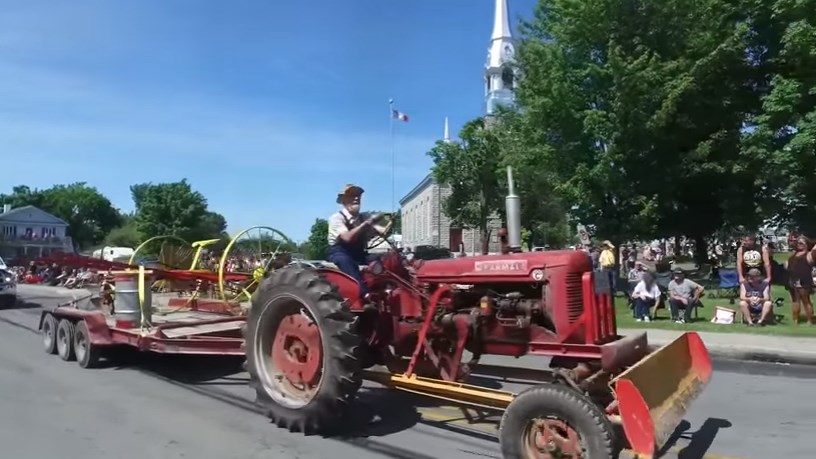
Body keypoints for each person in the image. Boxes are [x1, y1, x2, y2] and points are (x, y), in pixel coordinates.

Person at [326, 184, 393, 298]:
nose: (356, 198)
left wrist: (390, 222)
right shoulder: (337, 218)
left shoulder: (364, 216)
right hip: (340, 252)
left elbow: (382, 231)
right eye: (352, 195)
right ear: (343, 200)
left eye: (358, 195)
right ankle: (364, 294)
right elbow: (347, 237)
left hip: (359, 253)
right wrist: (366, 224)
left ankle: (389, 288)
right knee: (344, 261)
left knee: (386, 257)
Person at [786, 237, 815, 325]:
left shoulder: (809, 254)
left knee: (806, 301)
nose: (799, 244)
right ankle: (795, 320)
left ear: (806, 245)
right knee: (795, 300)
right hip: (793, 280)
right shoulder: (793, 254)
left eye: (801, 243)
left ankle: (810, 320)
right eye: (798, 243)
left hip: (804, 281)